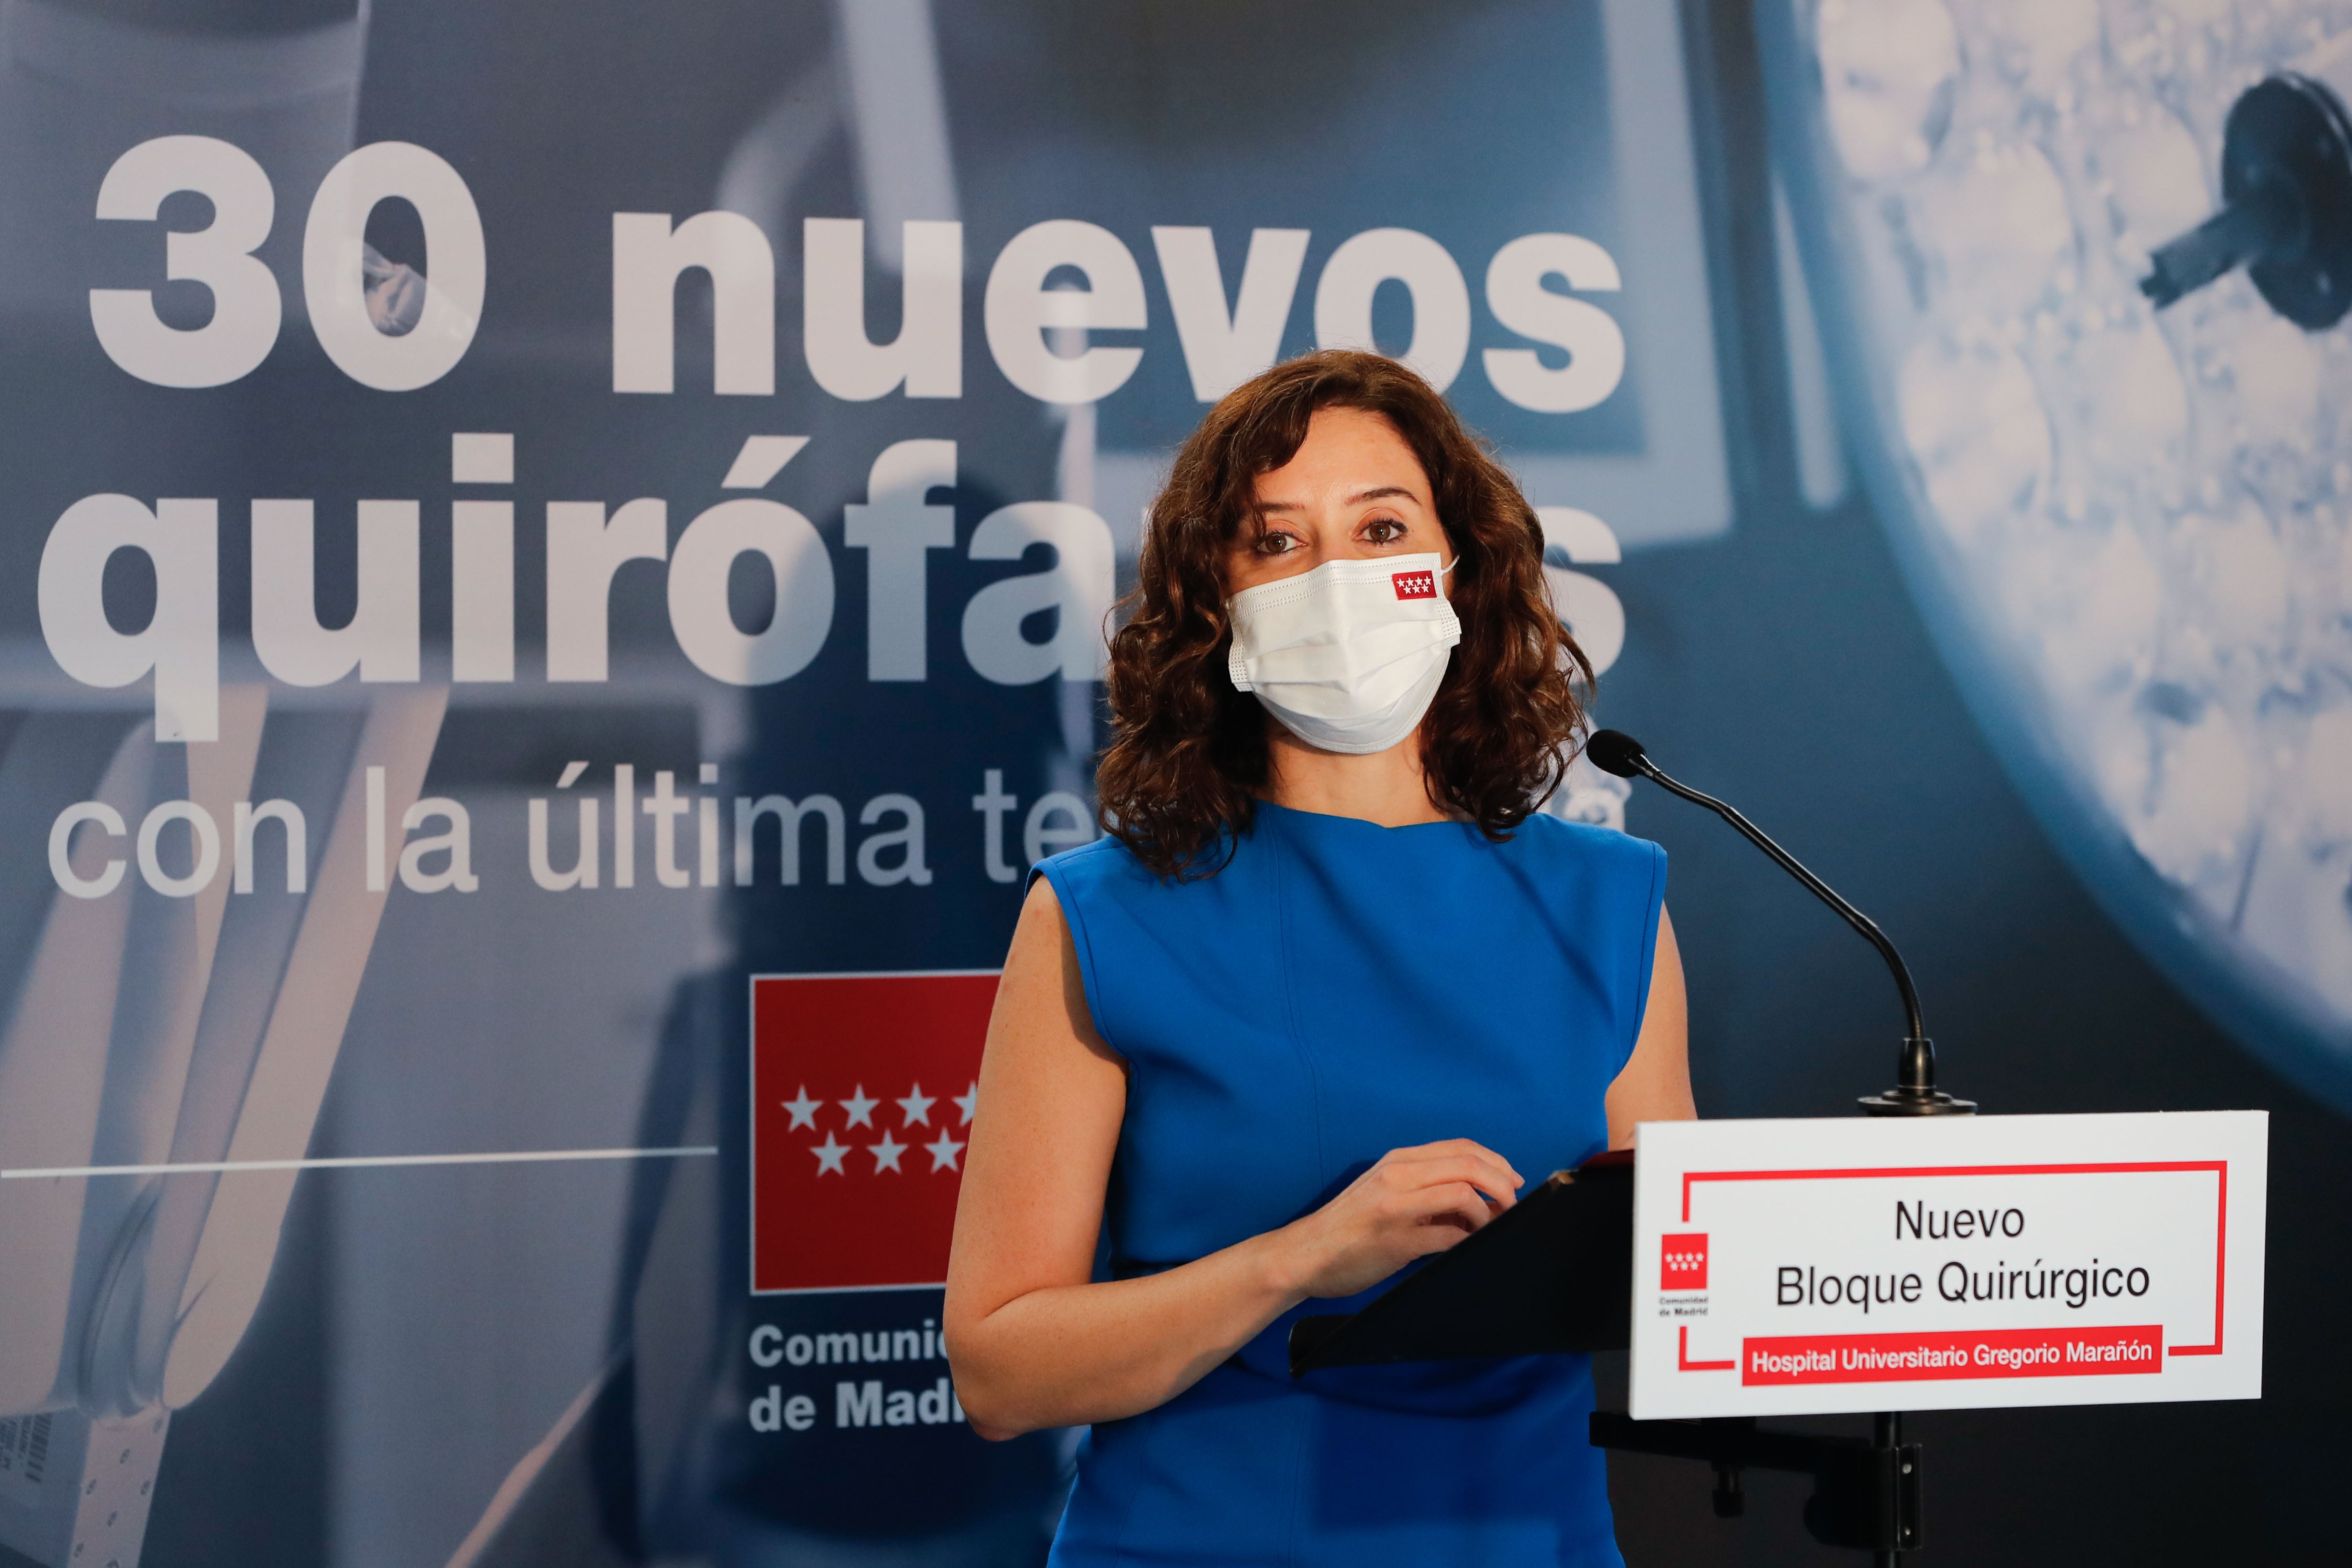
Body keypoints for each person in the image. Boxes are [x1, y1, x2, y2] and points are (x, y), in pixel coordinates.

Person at [943, 350, 1693, 1567]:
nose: (1337, 578)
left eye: (1381, 526)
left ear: (1455, 570)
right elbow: (998, 1369)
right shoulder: (1103, 917)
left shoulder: (1606, 903)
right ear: (1216, 601)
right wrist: (1304, 1261)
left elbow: (1679, 1284)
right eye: (1277, 542)